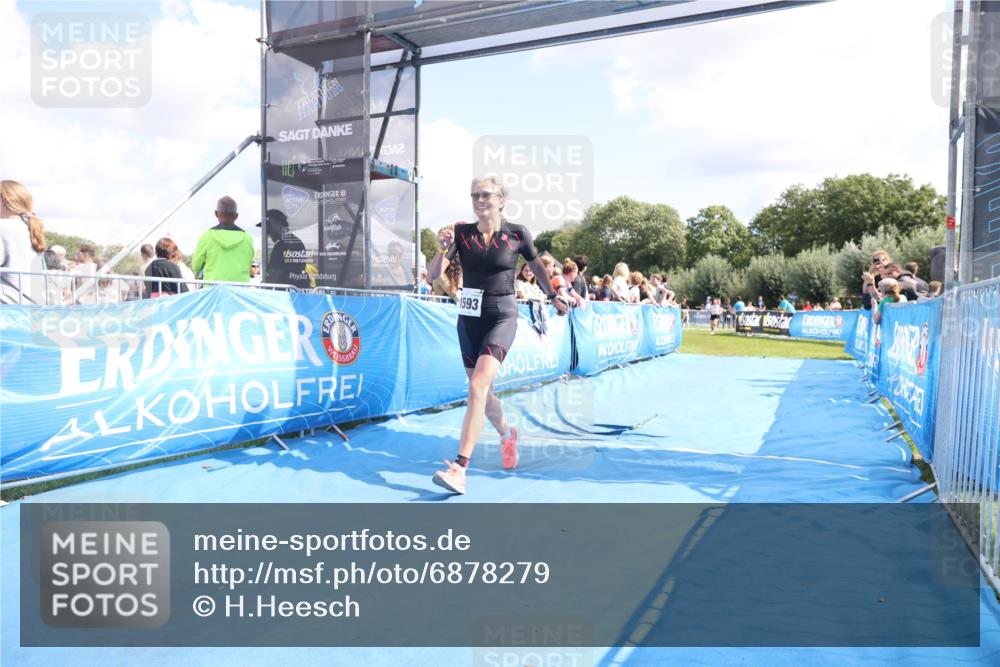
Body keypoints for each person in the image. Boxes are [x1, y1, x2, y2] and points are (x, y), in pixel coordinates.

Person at [431, 176, 568, 494]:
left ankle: (459, 468)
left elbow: (538, 268)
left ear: (502, 200)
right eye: (474, 195)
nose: (479, 200)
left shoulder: (518, 233)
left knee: (477, 386)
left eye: (486, 194)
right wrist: (441, 249)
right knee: (482, 393)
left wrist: (552, 296)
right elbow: (435, 274)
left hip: (502, 316)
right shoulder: (462, 233)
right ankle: (507, 435)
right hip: (469, 321)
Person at [0, 180, 47, 305]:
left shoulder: (3, 227)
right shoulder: (29, 228)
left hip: (7, 309)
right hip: (29, 308)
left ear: (3, 200)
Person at [192, 196, 254, 282]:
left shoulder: (206, 236)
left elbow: (196, 266)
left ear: (216, 214)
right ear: (236, 216)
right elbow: (249, 266)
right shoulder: (247, 238)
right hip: (239, 289)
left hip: (213, 289)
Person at [257, 208, 310, 288]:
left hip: (285, 293)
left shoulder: (281, 246)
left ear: (273, 223)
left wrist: (259, 288)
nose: (267, 233)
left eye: (267, 228)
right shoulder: (297, 243)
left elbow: (273, 278)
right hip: (299, 290)